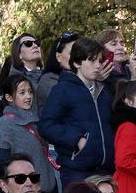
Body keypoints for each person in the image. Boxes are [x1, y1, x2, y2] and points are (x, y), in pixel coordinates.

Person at [39, 36, 113, 184]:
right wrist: (76, 140)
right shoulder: (63, 89)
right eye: (92, 60)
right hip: (77, 171)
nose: (97, 65)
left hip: (106, 170)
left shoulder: (104, 92)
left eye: (99, 61)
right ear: (77, 62)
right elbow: (46, 125)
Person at [0, 73, 60, 193]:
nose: (28, 97)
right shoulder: (4, 125)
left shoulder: (35, 121)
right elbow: (2, 167)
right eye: (22, 93)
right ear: (9, 97)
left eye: (29, 92)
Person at [35, 32, 79, 115]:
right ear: (58, 56)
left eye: (79, 52)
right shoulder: (48, 81)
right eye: (71, 53)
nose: (76, 56)